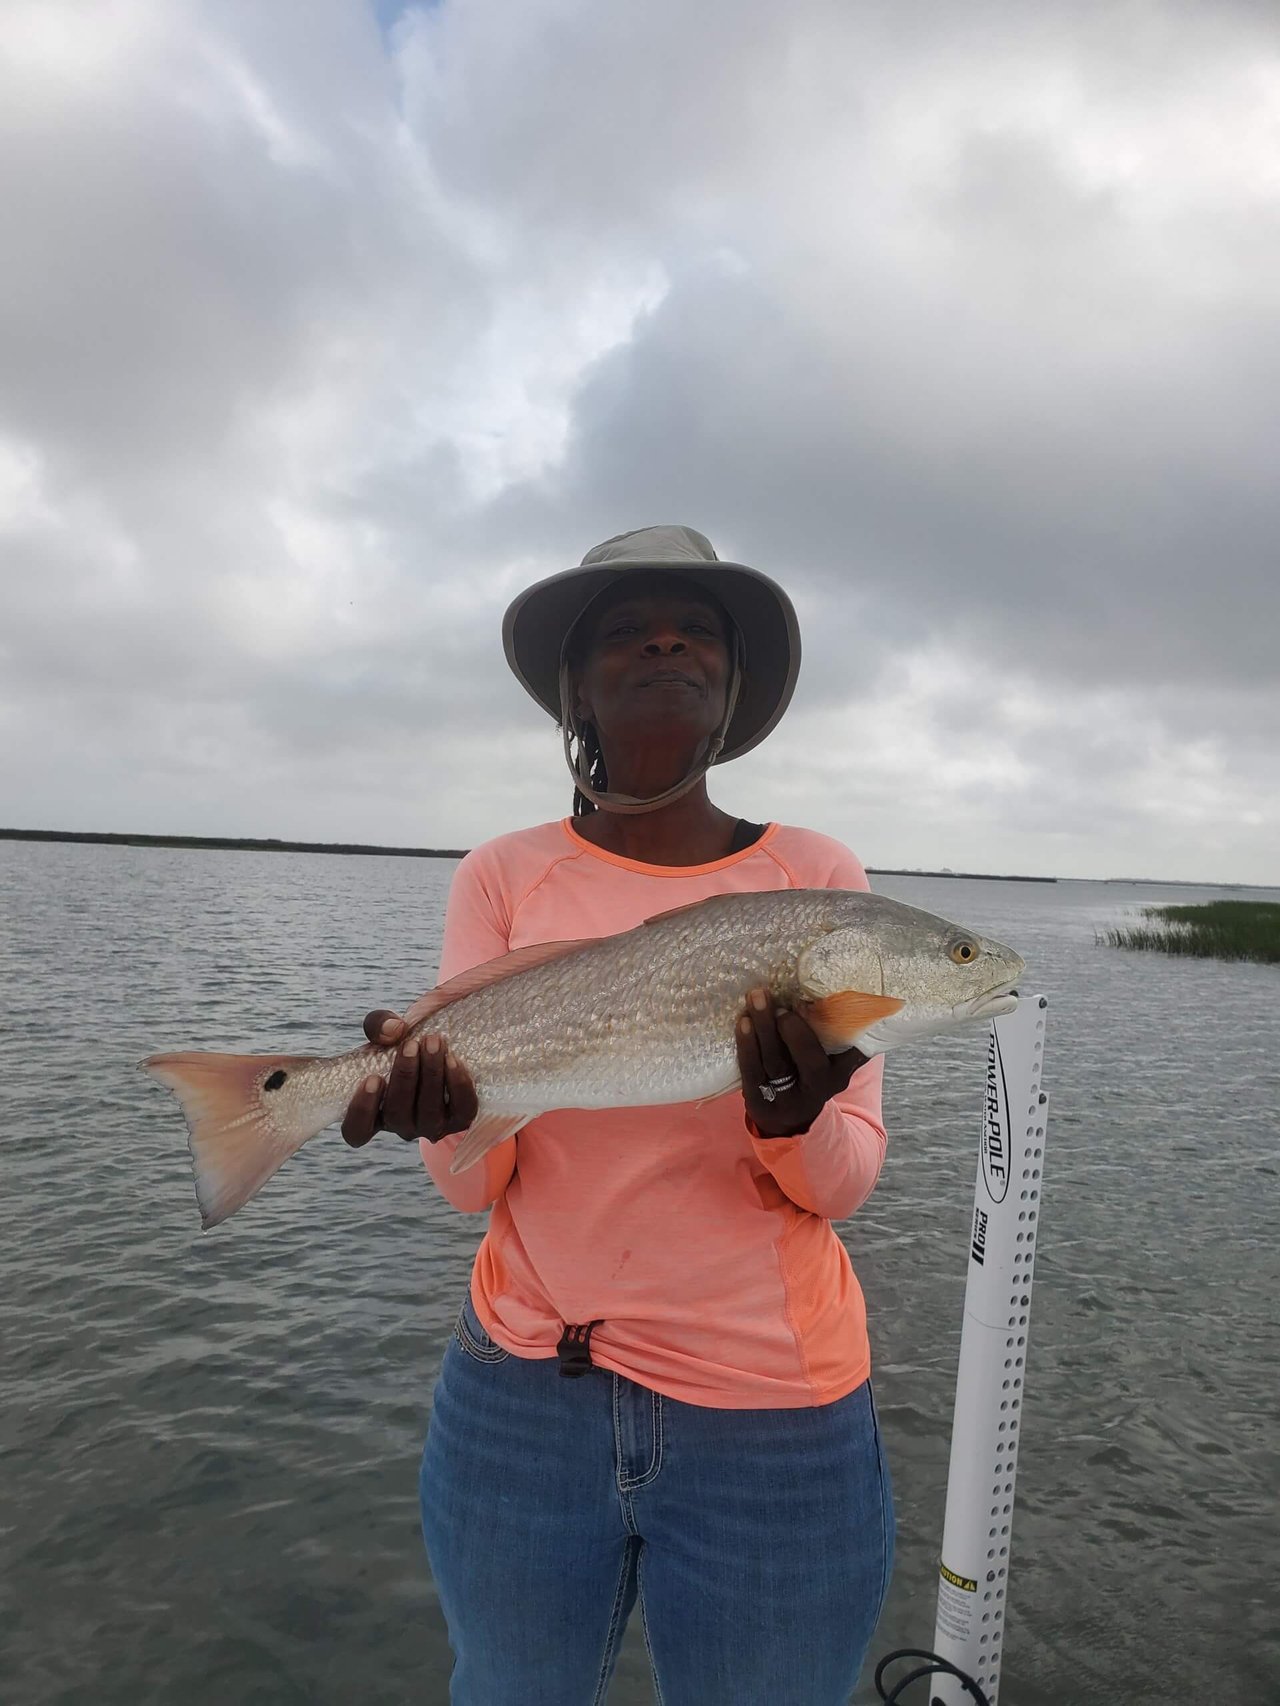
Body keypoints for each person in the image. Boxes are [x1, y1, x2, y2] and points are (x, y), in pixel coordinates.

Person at [341, 526, 895, 1705]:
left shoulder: (817, 877)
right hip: (519, 1397)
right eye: (623, 628)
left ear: (732, 687)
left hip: (773, 1415)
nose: (664, 639)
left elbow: (841, 1188)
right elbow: (472, 1189)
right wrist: (445, 1117)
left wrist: (790, 1118)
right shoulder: (502, 873)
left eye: (696, 627)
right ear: (574, 688)